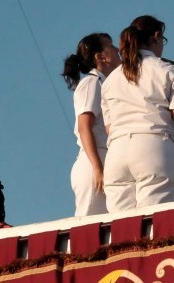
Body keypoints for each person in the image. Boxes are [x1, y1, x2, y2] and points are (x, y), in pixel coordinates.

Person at [101, 15, 174, 212]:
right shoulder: (170, 70)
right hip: (154, 144)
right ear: (156, 36)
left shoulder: (109, 81)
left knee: (120, 228)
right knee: (154, 222)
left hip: (116, 152)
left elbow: (109, 128)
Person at [62, 33, 121, 216]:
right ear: (100, 56)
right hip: (94, 160)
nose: (117, 50)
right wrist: (97, 167)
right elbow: (84, 126)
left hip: (106, 158)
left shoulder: (106, 83)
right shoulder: (92, 82)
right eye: (110, 46)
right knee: (90, 222)